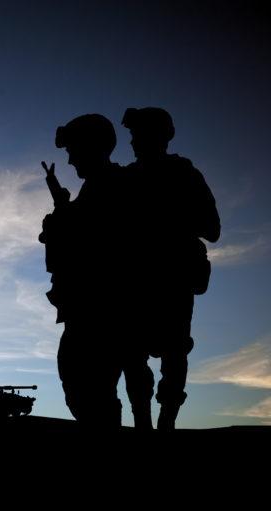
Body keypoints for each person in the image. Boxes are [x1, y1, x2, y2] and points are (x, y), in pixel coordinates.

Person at [40, 113, 152, 429]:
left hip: (104, 309)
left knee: (87, 386)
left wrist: (61, 221)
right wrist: (60, 204)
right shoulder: (99, 187)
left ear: (93, 147)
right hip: (94, 308)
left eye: (74, 150)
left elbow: (96, 237)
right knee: (89, 387)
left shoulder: (115, 185)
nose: (72, 159)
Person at [122, 107, 220, 430]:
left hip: (173, 282)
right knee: (133, 356)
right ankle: (143, 424)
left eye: (139, 135)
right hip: (135, 283)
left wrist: (171, 218)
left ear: (159, 136)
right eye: (133, 135)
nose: (134, 142)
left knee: (173, 356)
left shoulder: (184, 174)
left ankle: (165, 424)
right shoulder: (127, 179)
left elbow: (212, 228)